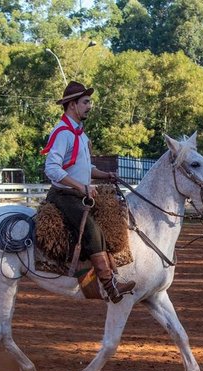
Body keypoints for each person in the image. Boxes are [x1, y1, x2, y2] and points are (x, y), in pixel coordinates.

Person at [41, 81, 135, 303]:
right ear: (72, 105)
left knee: (106, 224)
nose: (90, 106)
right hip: (64, 196)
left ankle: (109, 275)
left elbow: (83, 167)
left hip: (79, 194)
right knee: (92, 231)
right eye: (86, 102)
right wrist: (82, 187)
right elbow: (51, 169)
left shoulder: (80, 135)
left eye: (89, 102)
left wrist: (104, 175)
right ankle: (110, 286)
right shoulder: (63, 133)